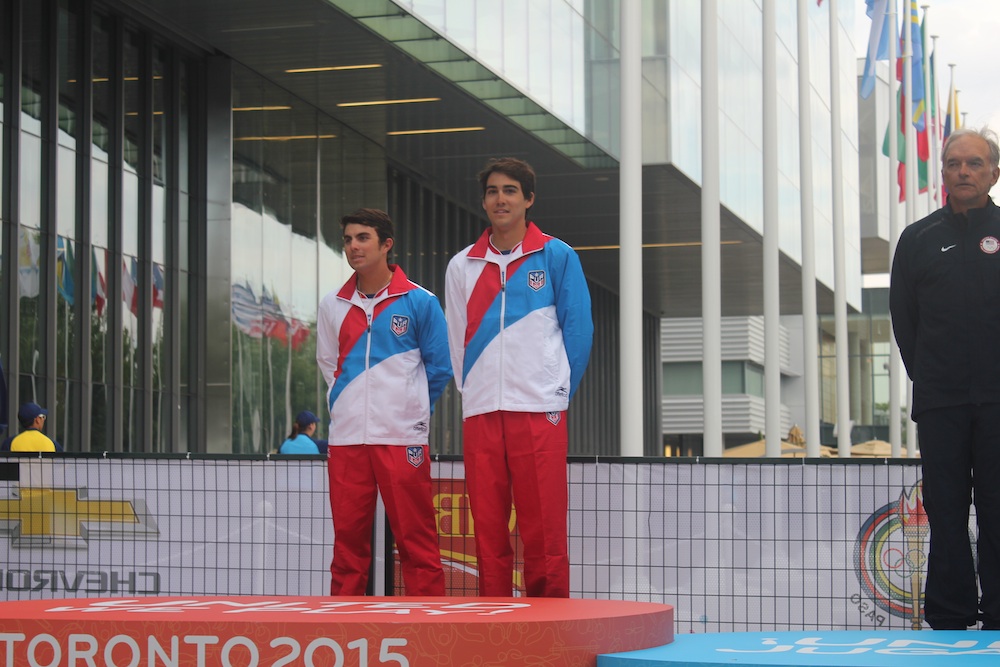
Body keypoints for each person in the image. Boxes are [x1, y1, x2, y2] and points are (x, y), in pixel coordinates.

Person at [445, 157, 594, 597]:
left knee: (543, 526)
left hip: (538, 408)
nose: (500, 199)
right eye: (492, 191)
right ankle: (494, 618)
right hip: (482, 410)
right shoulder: (462, 266)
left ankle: (549, 621)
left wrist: (555, 390)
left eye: (510, 190)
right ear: (483, 201)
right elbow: (456, 337)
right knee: (487, 527)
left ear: (529, 199)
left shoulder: (557, 256)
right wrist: (471, 392)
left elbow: (578, 330)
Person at [890, 127, 1000, 630]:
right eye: (954, 164)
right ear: (943, 173)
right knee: (947, 510)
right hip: (941, 404)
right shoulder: (918, 239)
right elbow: (904, 320)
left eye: (974, 163)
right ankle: (951, 614)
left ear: (993, 173)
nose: (963, 172)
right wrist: (931, 378)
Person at [317, 207, 451, 596]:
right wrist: (347, 405)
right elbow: (328, 364)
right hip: (347, 440)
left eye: (363, 238)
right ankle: (344, 622)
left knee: (416, 538)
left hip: (402, 438)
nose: (353, 247)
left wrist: (410, 410)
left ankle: (430, 622)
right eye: (347, 239)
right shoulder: (332, 305)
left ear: (386, 244)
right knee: (347, 544)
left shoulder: (421, 301)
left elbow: (440, 367)